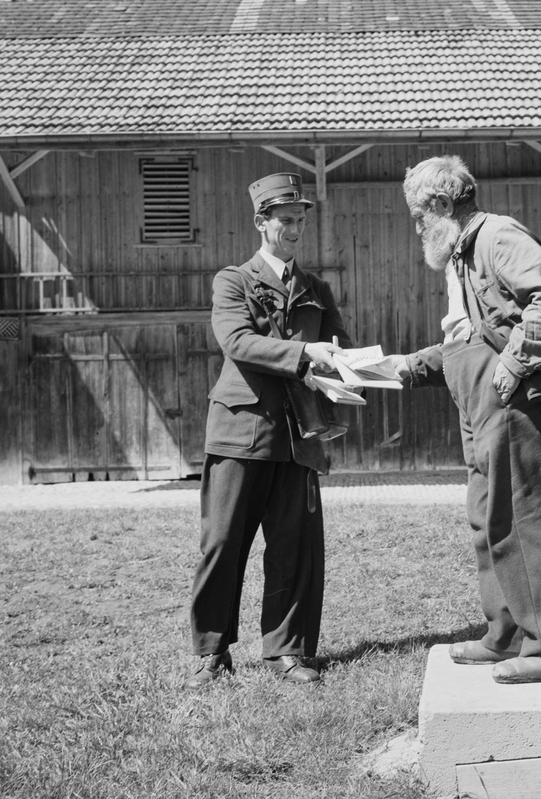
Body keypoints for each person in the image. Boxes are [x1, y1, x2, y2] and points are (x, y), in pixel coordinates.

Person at [390, 155, 541, 684]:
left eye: (419, 215)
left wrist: (516, 361)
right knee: (488, 518)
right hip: (482, 403)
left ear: (440, 205)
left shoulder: (497, 236)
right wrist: (414, 366)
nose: (417, 227)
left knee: (524, 513)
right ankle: (505, 635)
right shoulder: (461, 257)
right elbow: (470, 341)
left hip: (516, 399)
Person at [185, 172, 352, 689]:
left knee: (295, 546)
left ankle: (288, 651)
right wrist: (305, 353)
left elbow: (340, 347)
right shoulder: (231, 280)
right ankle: (211, 652)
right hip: (241, 431)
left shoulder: (317, 289)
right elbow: (238, 342)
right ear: (262, 222)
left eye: (301, 219)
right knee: (223, 543)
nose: (296, 228)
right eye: (287, 220)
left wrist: (348, 374)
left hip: (299, 435)